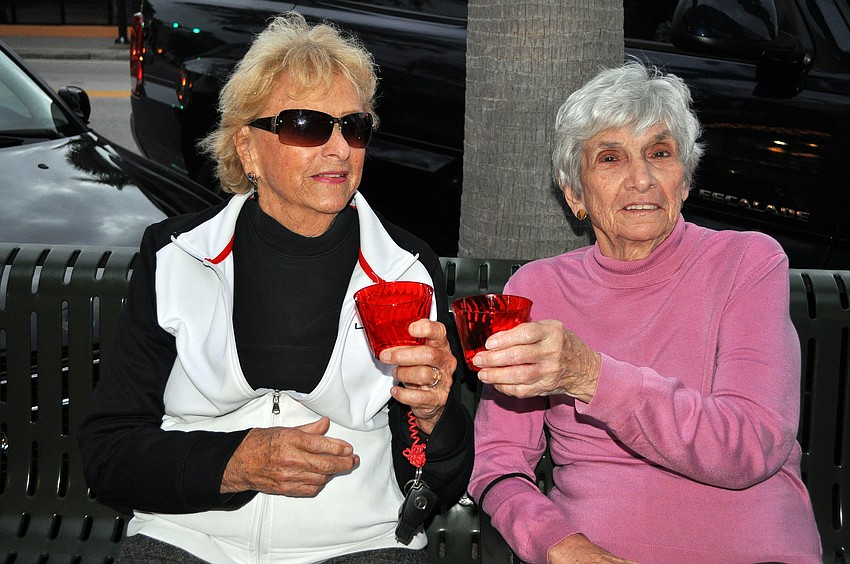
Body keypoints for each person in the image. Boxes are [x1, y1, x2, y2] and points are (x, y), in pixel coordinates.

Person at [78, 12, 473, 564]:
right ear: (248, 148)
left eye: (353, 126)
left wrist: (436, 416)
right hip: (190, 538)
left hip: (360, 545)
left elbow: (439, 479)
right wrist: (235, 462)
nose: (339, 148)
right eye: (308, 125)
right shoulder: (177, 256)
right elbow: (108, 451)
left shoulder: (405, 270)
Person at [468, 61, 822, 563]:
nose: (641, 178)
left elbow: (751, 448)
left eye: (659, 153)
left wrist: (592, 375)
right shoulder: (537, 290)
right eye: (610, 158)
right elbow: (499, 458)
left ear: (684, 179)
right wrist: (559, 546)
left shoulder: (746, 263)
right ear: (575, 195)